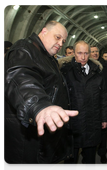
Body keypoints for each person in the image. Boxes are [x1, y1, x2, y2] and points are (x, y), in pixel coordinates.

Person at [0, 20, 78, 170]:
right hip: (24, 144)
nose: (61, 43)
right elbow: (21, 78)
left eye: (63, 40)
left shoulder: (47, 57)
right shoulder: (24, 50)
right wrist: (39, 106)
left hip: (39, 140)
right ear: (43, 31)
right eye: (57, 37)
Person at [62, 41, 107, 170]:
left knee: (90, 159)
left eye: (86, 53)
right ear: (74, 54)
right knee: (70, 160)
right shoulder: (66, 72)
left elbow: (103, 97)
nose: (83, 57)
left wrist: (104, 118)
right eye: (79, 53)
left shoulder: (97, 72)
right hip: (73, 123)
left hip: (92, 121)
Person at [90, 46, 107, 163]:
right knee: (90, 130)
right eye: (92, 52)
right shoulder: (85, 64)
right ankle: (87, 155)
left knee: (103, 130)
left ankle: (102, 152)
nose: (95, 53)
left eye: (96, 51)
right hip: (90, 104)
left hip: (104, 102)